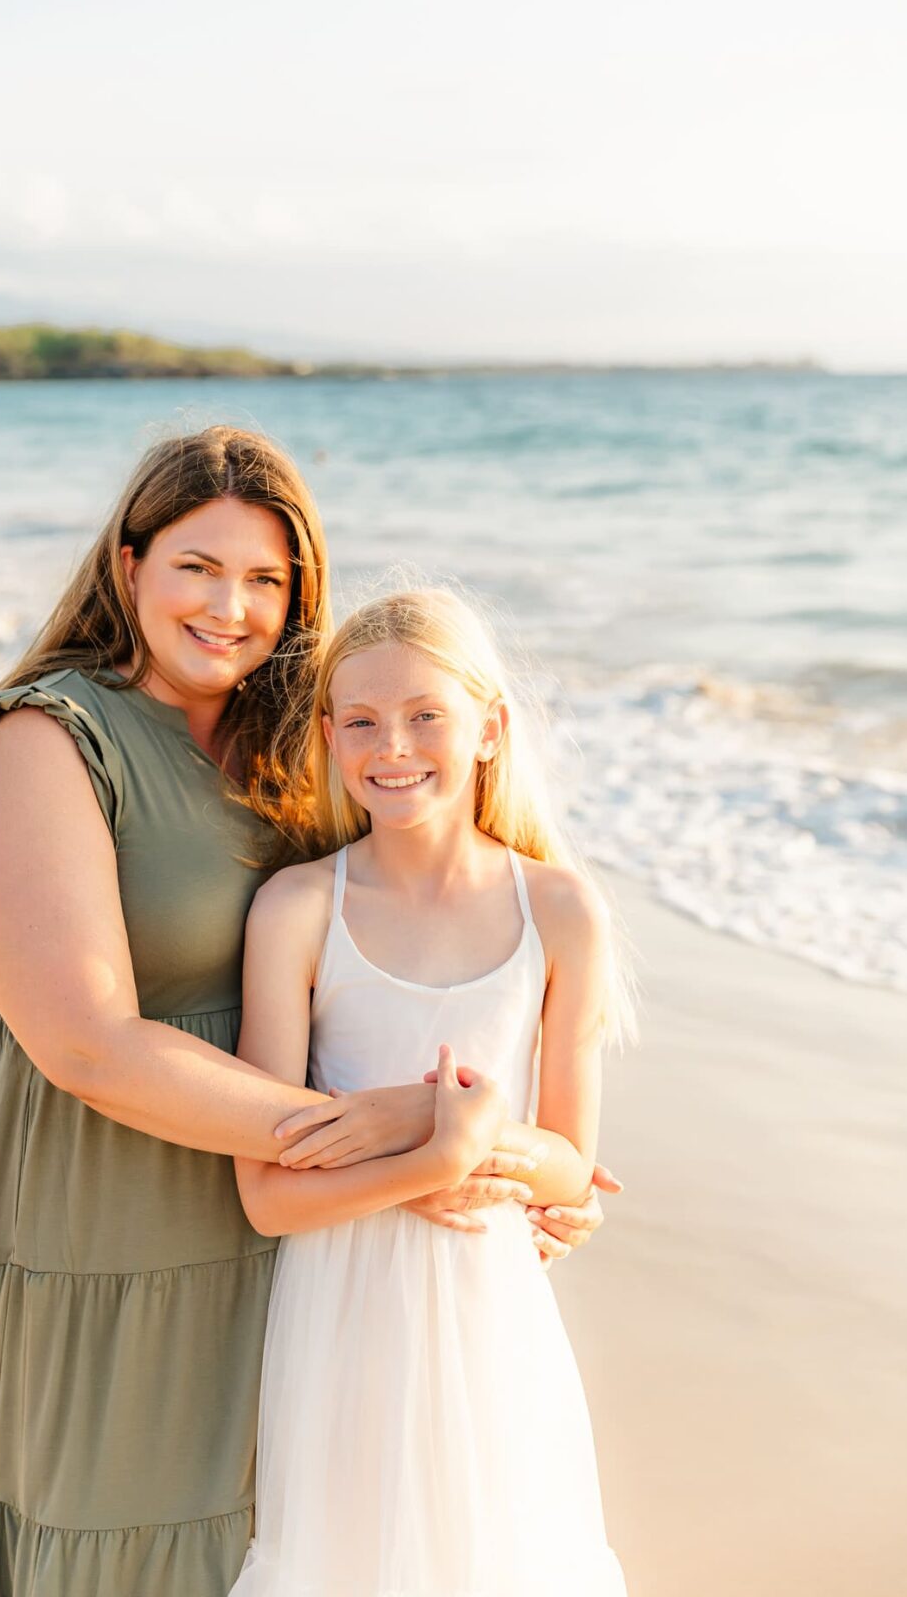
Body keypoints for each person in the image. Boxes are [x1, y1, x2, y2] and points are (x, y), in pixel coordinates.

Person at [0, 428, 617, 1597]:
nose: (230, 606)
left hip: (285, 1222)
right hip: (102, 1191)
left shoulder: (284, 744)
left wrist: (525, 1163)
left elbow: (409, 939)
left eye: (267, 579)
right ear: (129, 568)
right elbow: (87, 1043)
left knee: (265, 1537)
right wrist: (414, 1134)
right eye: (196, 566)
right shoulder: (44, 739)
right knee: (106, 1529)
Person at [229, 588, 633, 1597]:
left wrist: (455, 1129)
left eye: (425, 715)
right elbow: (267, 1195)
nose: (391, 744)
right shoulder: (295, 909)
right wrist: (430, 1155)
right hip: (338, 1316)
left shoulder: (559, 910)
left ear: (489, 728)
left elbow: (567, 1164)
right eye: (360, 720)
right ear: (327, 734)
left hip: (490, 1309)